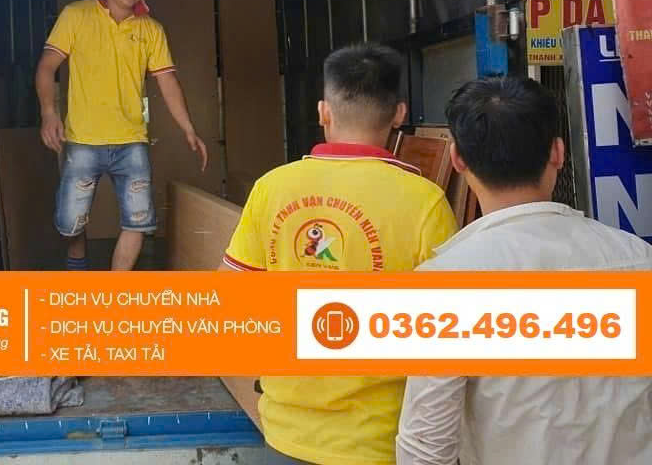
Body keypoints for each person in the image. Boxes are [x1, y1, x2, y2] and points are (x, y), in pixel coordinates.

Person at [221, 43, 457, 465]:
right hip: (382, 441)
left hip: (286, 434)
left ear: (323, 112)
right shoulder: (425, 201)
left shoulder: (272, 188)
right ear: (400, 114)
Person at [396, 76, 652, 465]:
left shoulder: (448, 283)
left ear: (458, 159)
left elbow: (426, 448)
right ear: (558, 153)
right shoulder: (638, 260)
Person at [35, 0, 208, 271]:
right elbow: (46, 67)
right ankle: (77, 268)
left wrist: (189, 129)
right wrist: (48, 113)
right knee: (72, 222)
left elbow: (168, 83)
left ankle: (113, 298)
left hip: (132, 142)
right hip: (83, 139)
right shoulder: (76, 15)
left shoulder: (151, 30)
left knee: (138, 221)